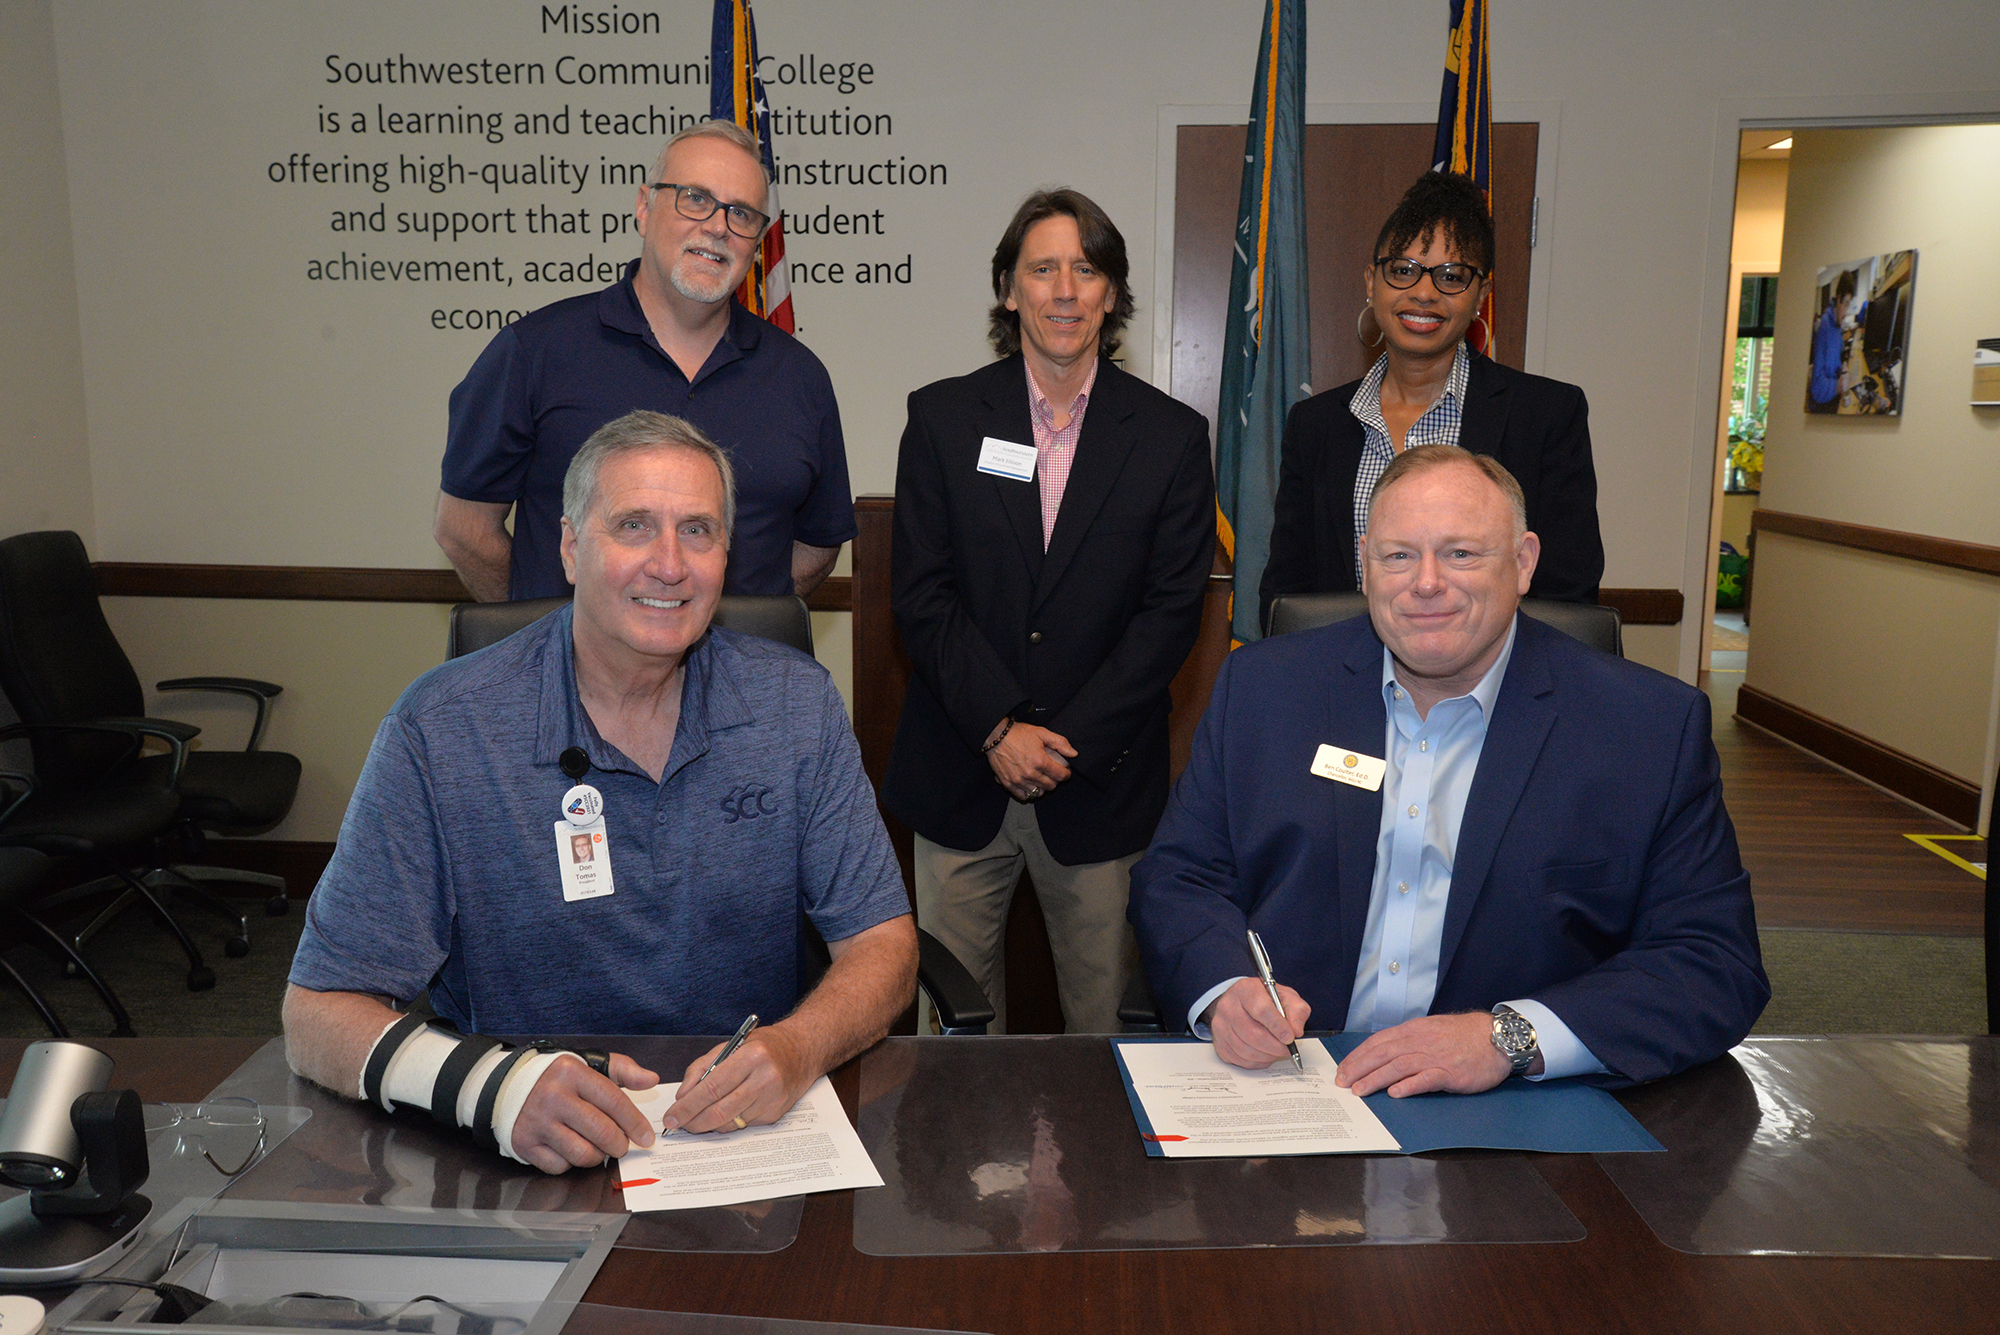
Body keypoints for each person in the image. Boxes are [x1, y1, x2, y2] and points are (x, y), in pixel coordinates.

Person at [287, 410, 917, 1173]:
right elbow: (315, 1014)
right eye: (633, 526)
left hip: (743, 1141)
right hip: (523, 1145)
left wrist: (794, 1046)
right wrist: (495, 1087)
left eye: (698, 531)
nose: (669, 564)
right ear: (568, 548)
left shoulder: (796, 703)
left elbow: (883, 945)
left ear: (727, 554)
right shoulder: (442, 729)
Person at [1131, 444, 1767, 1093]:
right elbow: (1180, 875)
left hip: (1516, 1109)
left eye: (1461, 553)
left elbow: (1713, 962)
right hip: (1295, 1085)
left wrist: (1509, 1037)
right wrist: (1224, 990)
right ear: (1365, 562)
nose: (1426, 581)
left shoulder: (1646, 727)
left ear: (1523, 563)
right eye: (1398, 554)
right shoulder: (1266, 689)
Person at [884, 188, 1215, 1033]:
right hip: (964, 769)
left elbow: (1170, 614)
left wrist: (1067, 743)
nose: (1065, 289)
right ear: (1008, 288)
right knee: (949, 1035)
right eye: (1043, 268)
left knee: (1109, 1034)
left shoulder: (1171, 436)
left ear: (1111, 293)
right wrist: (999, 727)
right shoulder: (942, 418)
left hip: (1099, 782)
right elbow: (922, 597)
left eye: (1087, 268)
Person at [435, 120, 854, 603]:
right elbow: (464, 529)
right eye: (695, 198)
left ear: (758, 240)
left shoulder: (800, 378)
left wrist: (727, 640)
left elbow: (817, 546)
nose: (718, 226)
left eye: (741, 213)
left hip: (744, 676)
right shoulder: (534, 352)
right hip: (572, 676)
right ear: (644, 207)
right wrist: (546, 641)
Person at [1259, 171, 1602, 626]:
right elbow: (1288, 594)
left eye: (1451, 276)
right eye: (1402, 270)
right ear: (1371, 282)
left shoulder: (1546, 416)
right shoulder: (1316, 423)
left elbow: (1567, 596)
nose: (1423, 293)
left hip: (1493, 684)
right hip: (1345, 681)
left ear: (1481, 294)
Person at [1809, 268, 1859, 410]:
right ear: (1838, 300)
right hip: (1824, 402)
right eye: (1846, 304)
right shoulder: (1825, 327)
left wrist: (1843, 363)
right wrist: (1837, 387)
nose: (1846, 312)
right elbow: (1817, 388)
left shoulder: (1836, 326)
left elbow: (1835, 356)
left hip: (1834, 388)